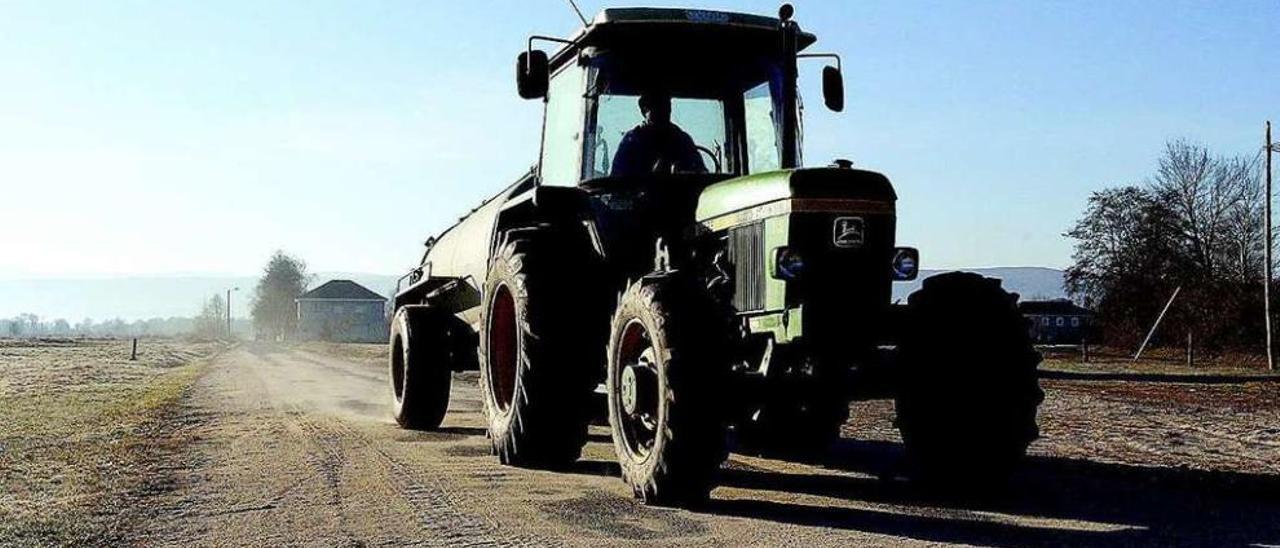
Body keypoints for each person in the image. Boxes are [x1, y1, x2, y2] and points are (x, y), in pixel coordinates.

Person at [610, 91, 707, 176]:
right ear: (644, 110)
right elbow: (617, 181)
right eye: (657, 106)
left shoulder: (682, 140)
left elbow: (701, 174)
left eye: (666, 105)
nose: (663, 111)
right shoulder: (632, 141)